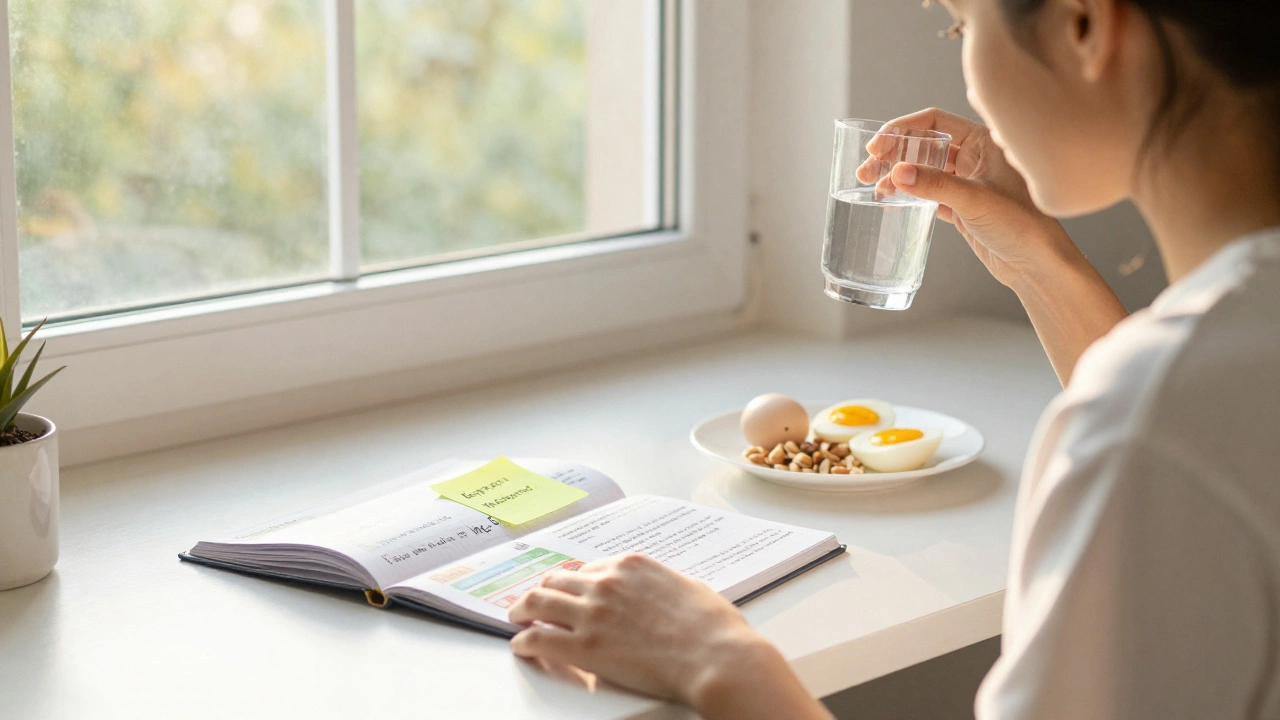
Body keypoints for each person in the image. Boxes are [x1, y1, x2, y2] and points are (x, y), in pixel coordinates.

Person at [507, 0, 1280, 716]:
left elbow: (1165, 422)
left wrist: (722, 660)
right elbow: (1207, 418)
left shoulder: (1150, 421)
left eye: (962, 27)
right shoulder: (1214, 363)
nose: (966, 78)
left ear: (1084, 25)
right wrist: (1043, 260)